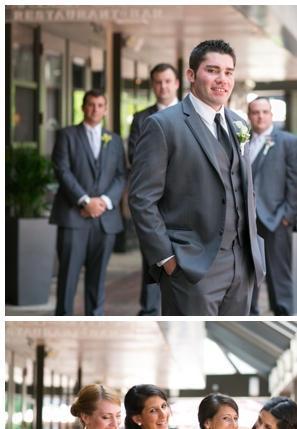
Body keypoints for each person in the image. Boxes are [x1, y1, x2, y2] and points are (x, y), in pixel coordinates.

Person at [129, 39, 265, 316]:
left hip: (242, 265)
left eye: (228, 72)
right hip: (191, 269)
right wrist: (167, 260)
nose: (222, 79)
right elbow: (142, 199)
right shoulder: (163, 125)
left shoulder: (239, 124)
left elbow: (244, 188)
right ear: (191, 75)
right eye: (212, 70)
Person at [49, 89, 127, 316]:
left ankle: (95, 321)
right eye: (91, 104)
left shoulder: (113, 140)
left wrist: (102, 201)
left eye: (100, 105)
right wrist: (84, 202)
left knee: (98, 278)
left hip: (105, 220)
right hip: (74, 218)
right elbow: (62, 171)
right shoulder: (66, 135)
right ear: (83, 107)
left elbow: (121, 175)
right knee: (68, 278)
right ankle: (63, 322)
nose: (95, 109)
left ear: (105, 109)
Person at [128, 63, 180, 317]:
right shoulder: (141, 119)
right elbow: (135, 157)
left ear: (177, 83)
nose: (163, 87)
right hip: (154, 203)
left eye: (168, 81)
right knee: (152, 257)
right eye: (158, 82)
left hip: (185, 203)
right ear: (153, 86)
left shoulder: (190, 113)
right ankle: (149, 311)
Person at [246, 97, 297, 316]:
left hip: (276, 218)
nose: (260, 116)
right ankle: (250, 312)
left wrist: (287, 216)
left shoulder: (288, 141)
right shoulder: (241, 141)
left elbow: (296, 181)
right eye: (255, 112)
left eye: (264, 112)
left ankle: (283, 312)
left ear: (271, 114)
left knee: (279, 272)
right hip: (246, 220)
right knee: (248, 271)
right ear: (249, 116)